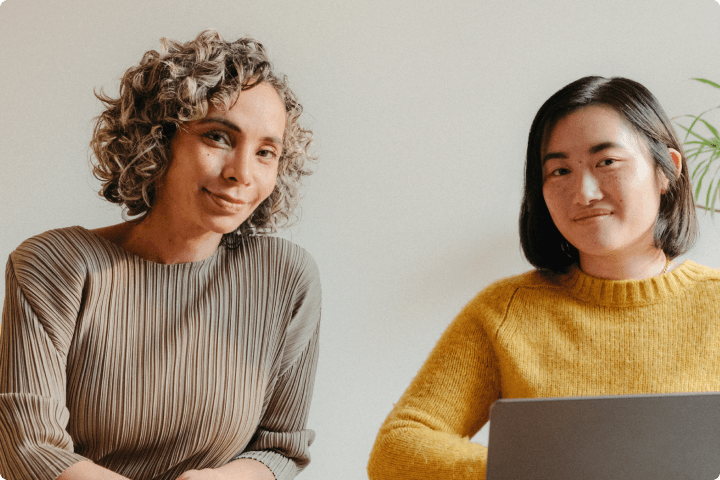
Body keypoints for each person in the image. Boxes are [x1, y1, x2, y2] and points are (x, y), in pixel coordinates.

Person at [0, 30, 321, 480]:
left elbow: (280, 447)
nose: (242, 173)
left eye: (266, 152)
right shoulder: (53, 265)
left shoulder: (286, 277)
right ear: (157, 140)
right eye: (218, 137)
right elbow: (28, 448)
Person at [367, 76, 720, 479]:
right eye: (559, 171)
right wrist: (527, 472)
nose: (584, 192)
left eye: (607, 162)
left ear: (667, 171)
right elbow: (397, 447)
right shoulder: (505, 311)